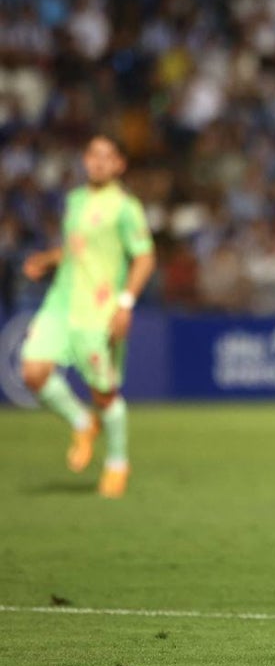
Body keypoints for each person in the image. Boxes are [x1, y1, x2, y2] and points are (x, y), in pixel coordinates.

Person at [20, 133, 156, 498]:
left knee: (104, 391)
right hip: (61, 302)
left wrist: (126, 303)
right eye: (92, 154)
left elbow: (145, 257)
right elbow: (75, 248)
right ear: (84, 159)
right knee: (32, 373)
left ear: (119, 165)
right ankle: (82, 423)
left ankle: (117, 463)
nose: (97, 161)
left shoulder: (126, 207)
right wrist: (47, 260)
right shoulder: (76, 200)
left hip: (98, 310)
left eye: (106, 156)